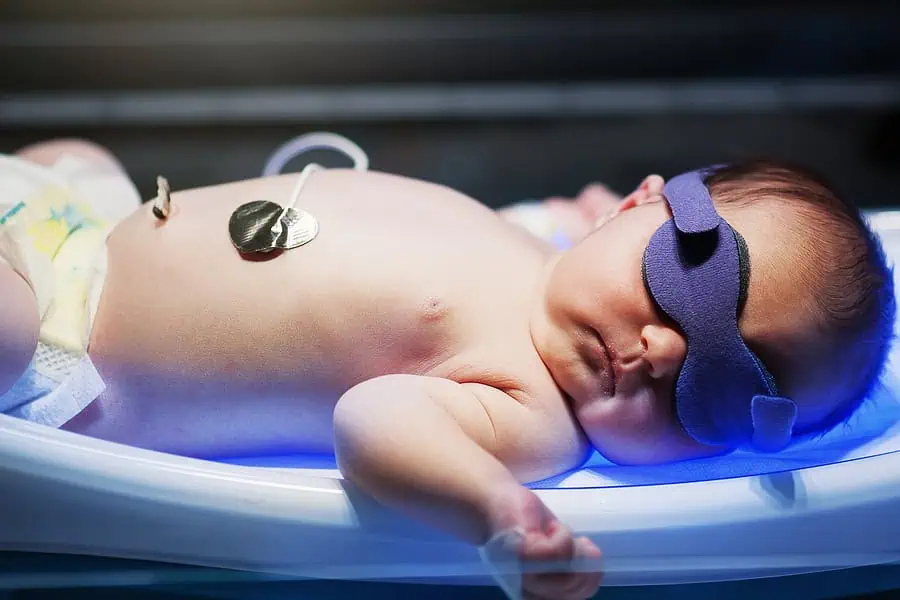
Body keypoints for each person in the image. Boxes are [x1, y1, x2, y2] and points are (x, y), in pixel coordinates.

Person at [1, 135, 894, 600]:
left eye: (724, 387)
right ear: (638, 204)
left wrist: (497, 510)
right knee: (77, 161)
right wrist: (577, 214)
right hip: (80, 226)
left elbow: (376, 423)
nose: (664, 350)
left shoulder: (532, 415)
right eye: (682, 282)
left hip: (62, 335)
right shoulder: (548, 243)